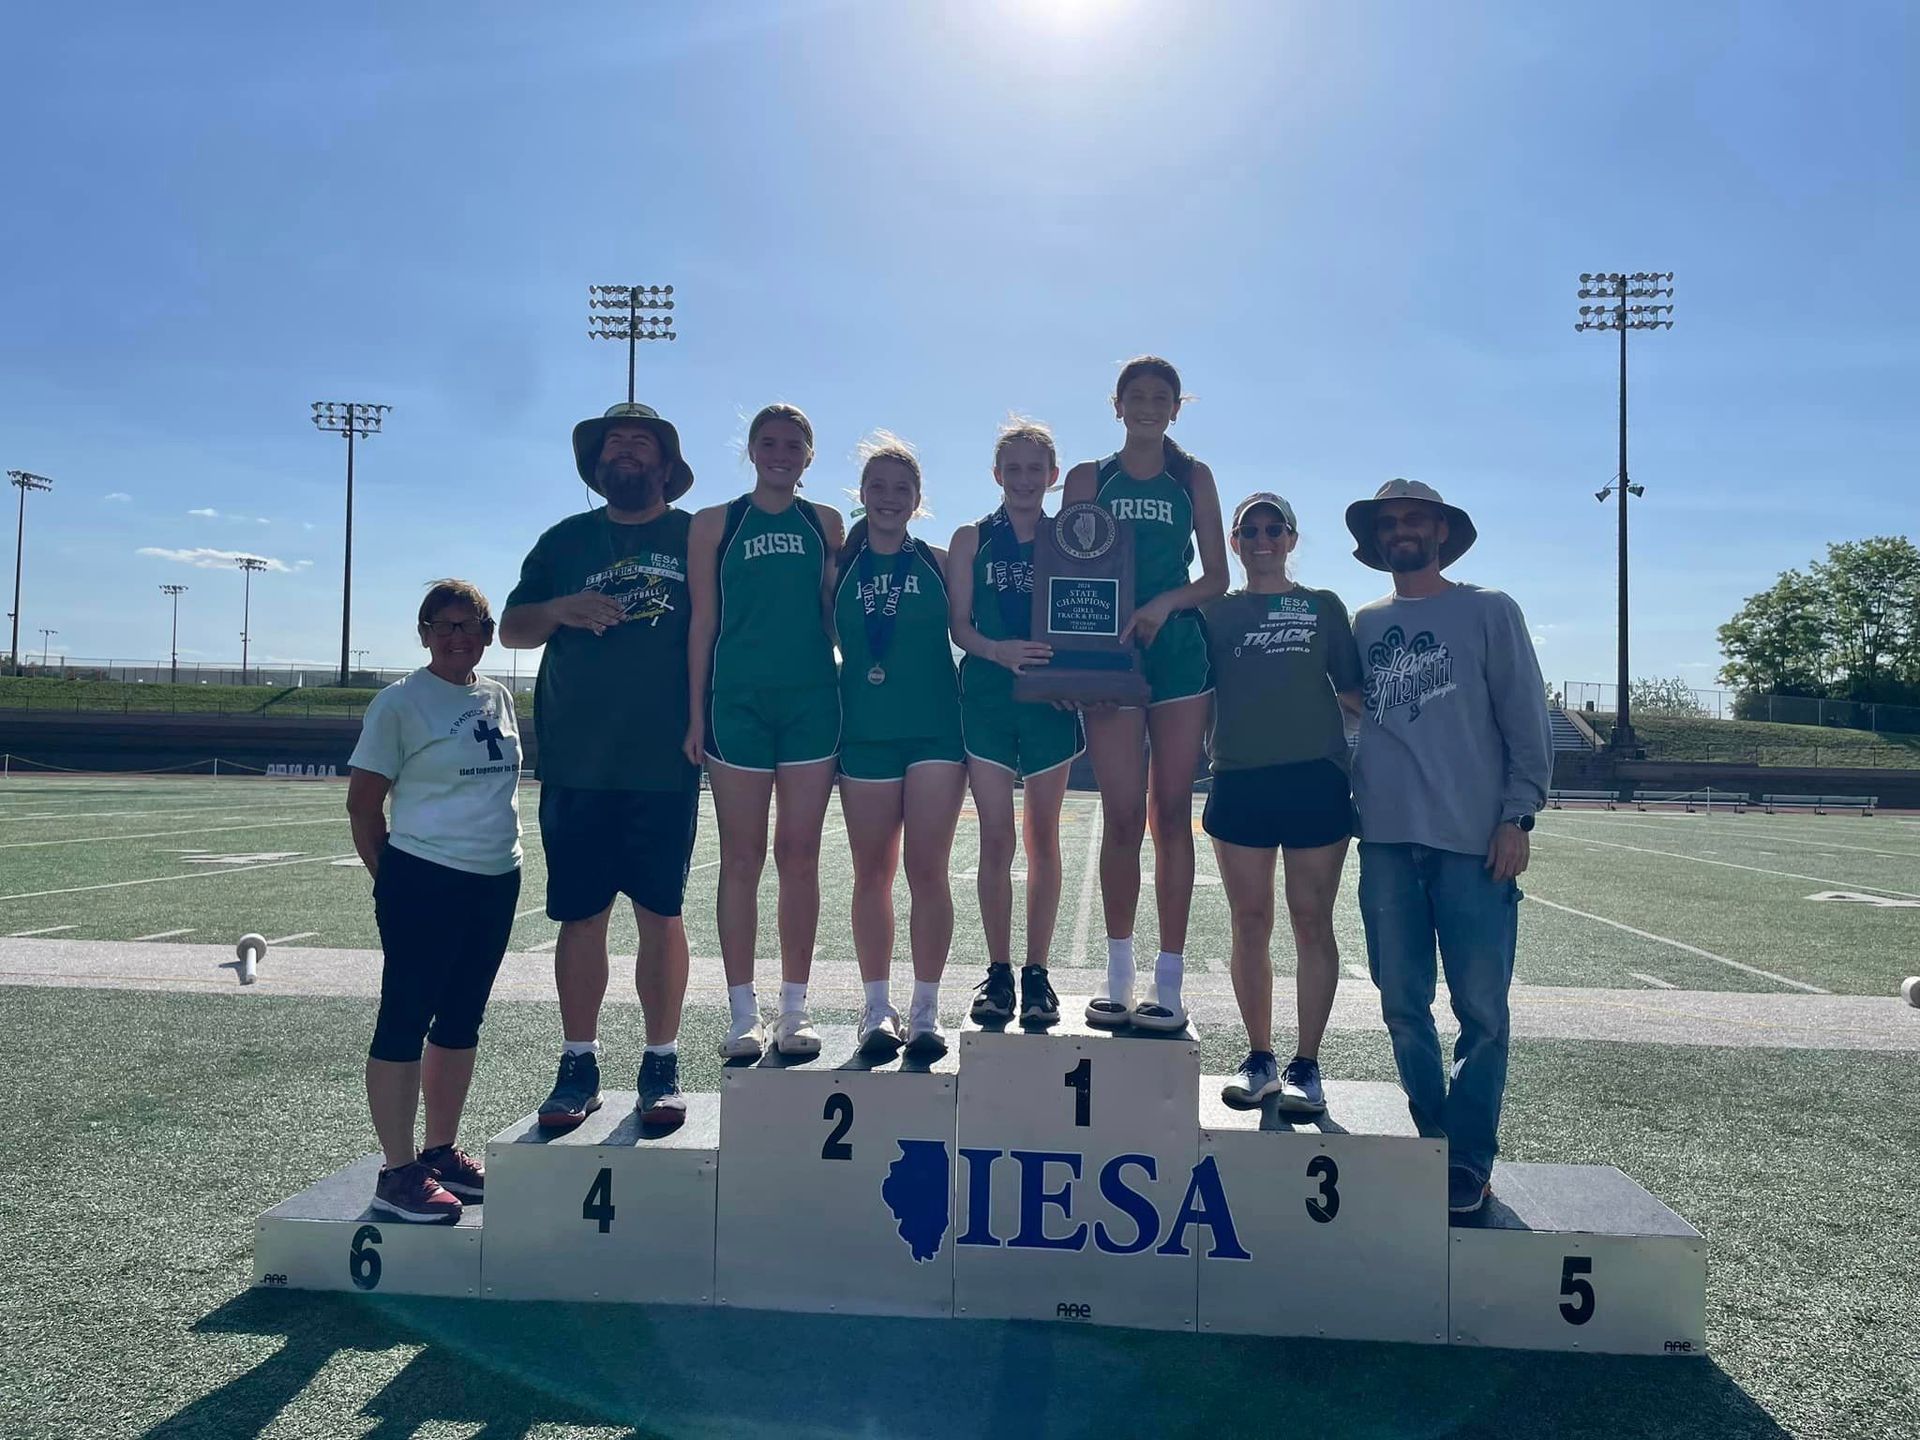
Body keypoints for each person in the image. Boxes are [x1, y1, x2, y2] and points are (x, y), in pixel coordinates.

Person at [1345, 478, 1552, 1216]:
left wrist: (1517, 817)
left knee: (1482, 1014)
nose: (1401, 530)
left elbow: (1526, 720)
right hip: (1387, 844)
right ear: (1376, 540)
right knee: (1402, 1006)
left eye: (1414, 519)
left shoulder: (1490, 611)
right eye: (1389, 522)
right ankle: (1435, 1140)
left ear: (1441, 532)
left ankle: (1468, 1160)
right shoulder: (1363, 623)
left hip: (1473, 843)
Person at [500, 402, 700, 1131]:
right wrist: (562, 607)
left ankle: (661, 1060)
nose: (626, 452)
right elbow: (512, 628)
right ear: (598, 464)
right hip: (579, 760)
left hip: (663, 758)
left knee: (662, 912)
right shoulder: (564, 539)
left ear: (663, 464)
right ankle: (578, 1062)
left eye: (640, 442)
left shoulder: (693, 535)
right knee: (581, 916)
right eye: (615, 443)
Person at [346, 579, 522, 1223]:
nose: (457, 638)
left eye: (470, 626)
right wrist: (392, 879)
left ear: (486, 634)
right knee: (404, 1018)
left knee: (460, 1020)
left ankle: (440, 1150)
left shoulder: (497, 695)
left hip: (496, 876)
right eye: (444, 625)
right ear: (423, 632)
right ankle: (396, 1173)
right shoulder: (398, 704)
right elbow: (363, 806)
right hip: (425, 877)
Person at [1062, 355, 1228, 1032]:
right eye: (1138, 395)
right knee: (1122, 816)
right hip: (1109, 655)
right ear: (1118, 404)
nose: (1149, 405)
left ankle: (1169, 983)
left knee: (1169, 816)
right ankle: (1118, 977)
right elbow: (1066, 569)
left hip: (1179, 650)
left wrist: (1162, 604)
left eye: (1162, 397)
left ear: (1176, 408)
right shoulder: (1085, 478)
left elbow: (1216, 575)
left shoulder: (1193, 476)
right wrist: (1076, 653)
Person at [685, 404, 845, 1059]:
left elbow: (839, 615)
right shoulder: (714, 524)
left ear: (809, 455)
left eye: (794, 444)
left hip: (813, 702)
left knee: (800, 855)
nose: (781, 453)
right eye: (769, 442)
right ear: (751, 450)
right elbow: (703, 622)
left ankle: (795, 1009)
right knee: (742, 858)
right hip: (738, 706)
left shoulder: (825, 522)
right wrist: (696, 711)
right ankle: (742, 1013)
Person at [1201, 494, 1363, 1112]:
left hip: (1314, 779)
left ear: (1292, 539)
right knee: (1250, 922)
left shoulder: (1322, 607)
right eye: (1250, 531)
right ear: (1235, 543)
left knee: (1310, 919)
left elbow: (1354, 695)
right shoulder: (1214, 613)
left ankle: (1308, 1064)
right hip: (1240, 779)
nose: (1262, 539)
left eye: (1274, 529)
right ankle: (1260, 1055)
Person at [832, 433, 967, 1056]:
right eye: (877, 487)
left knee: (927, 872)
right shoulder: (836, 567)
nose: (889, 498)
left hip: (937, 732)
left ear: (919, 499)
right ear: (861, 496)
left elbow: (974, 633)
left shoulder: (941, 563)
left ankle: (926, 1009)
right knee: (872, 875)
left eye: (901, 488)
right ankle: (877, 1005)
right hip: (863, 732)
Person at [947, 419, 1082, 1027]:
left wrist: (1069, 680)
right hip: (989, 699)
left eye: (1036, 469)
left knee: (1043, 836)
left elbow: (1088, 616)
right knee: (996, 837)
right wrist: (999, 651)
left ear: (1053, 476)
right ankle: (998, 970)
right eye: (1014, 468)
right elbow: (960, 629)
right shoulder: (972, 537)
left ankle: (1038, 973)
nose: (1025, 479)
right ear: (997, 475)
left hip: (1050, 705)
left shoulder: (1073, 536)